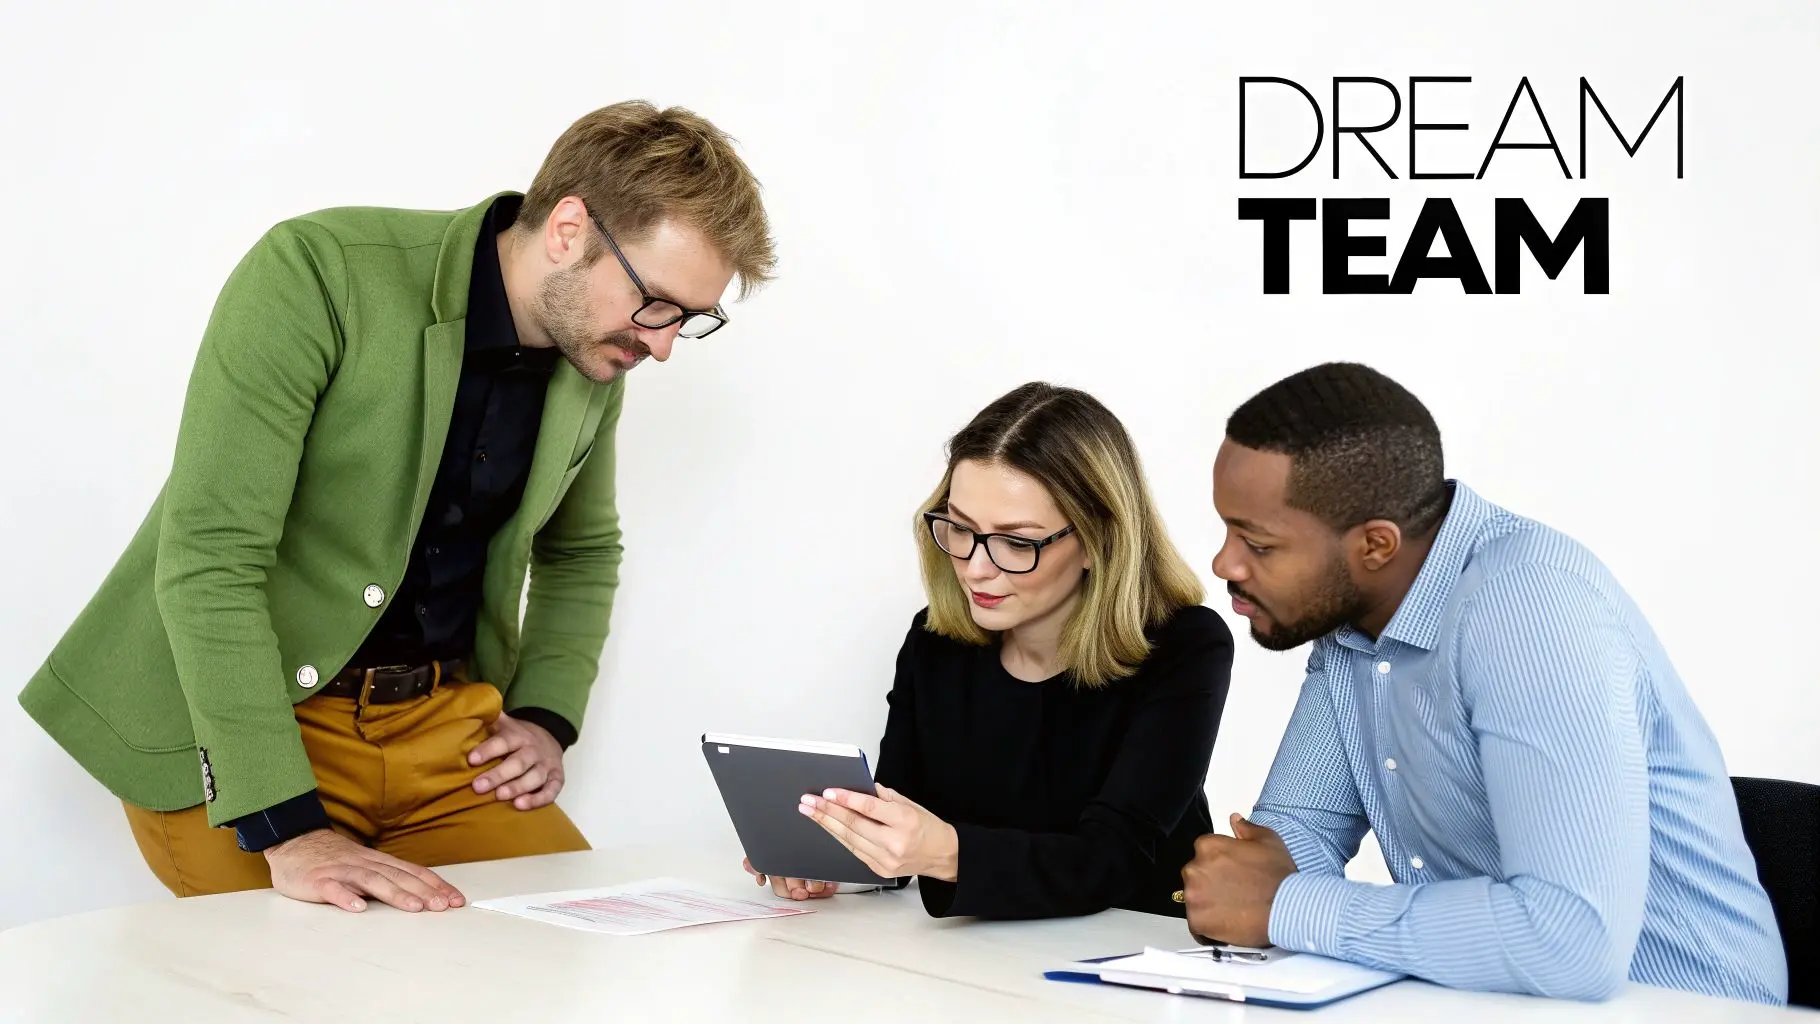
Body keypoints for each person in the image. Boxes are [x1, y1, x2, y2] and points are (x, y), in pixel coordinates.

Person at [19, 101, 775, 915]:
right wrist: (286, 827)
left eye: (689, 320)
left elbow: (581, 550)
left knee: (573, 945)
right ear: (567, 230)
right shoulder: (317, 271)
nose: (661, 345)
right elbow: (211, 556)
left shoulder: (595, 352)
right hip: (248, 719)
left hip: (442, 732)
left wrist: (545, 717)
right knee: (301, 967)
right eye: (654, 302)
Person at [1179, 361, 1788, 1005]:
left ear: (1376, 545)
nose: (1224, 563)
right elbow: (1292, 843)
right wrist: (1258, 885)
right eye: (1227, 529)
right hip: (1489, 1002)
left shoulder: (1530, 608)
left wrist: (1289, 906)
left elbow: (1570, 942)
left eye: (1258, 544)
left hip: (1678, 1005)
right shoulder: (1352, 619)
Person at [752, 382, 1234, 919]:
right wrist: (836, 852)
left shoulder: (1184, 646)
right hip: (975, 956)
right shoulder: (935, 641)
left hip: (1136, 947)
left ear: (1099, 540)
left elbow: (1112, 859)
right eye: (960, 529)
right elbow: (900, 815)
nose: (975, 568)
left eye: (1016, 542)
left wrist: (947, 853)